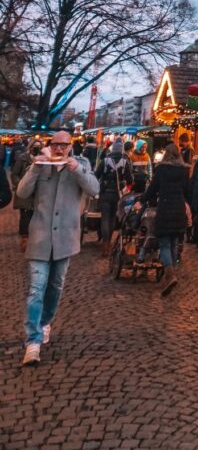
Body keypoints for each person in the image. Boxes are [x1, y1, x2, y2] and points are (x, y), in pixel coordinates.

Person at [15, 130, 99, 366]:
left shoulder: (80, 164)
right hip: (40, 238)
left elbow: (94, 188)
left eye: (64, 145)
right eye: (56, 144)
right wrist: (36, 166)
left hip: (65, 239)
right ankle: (33, 340)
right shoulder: (40, 165)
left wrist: (77, 169)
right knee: (35, 288)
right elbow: (21, 192)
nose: (59, 149)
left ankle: (44, 322)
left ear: (71, 146)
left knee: (55, 287)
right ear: (50, 146)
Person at [137, 143, 190, 297]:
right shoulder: (184, 171)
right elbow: (187, 191)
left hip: (165, 208)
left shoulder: (161, 170)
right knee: (174, 242)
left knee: (165, 243)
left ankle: (170, 274)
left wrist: (144, 198)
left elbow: (152, 189)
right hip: (179, 208)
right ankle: (170, 275)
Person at [96, 139, 133, 257]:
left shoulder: (105, 160)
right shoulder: (124, 161)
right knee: (112, 218)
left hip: (105, 193)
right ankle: (109, 242)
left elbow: (96, 175)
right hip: (117, 194)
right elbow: (130, 180)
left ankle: (105, 245)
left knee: (105, 219)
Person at [11, 140, 43, 251]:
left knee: (36, 217)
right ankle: (25, 240)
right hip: (24, 194)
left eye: (39, 147)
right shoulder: (22, 158)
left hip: (38, 193)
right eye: (35, 146)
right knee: (25, 216)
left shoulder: (44, 159)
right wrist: (21, 185)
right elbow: (14, 173)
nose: (36, 149)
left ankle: (34, 240)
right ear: (30, 147)